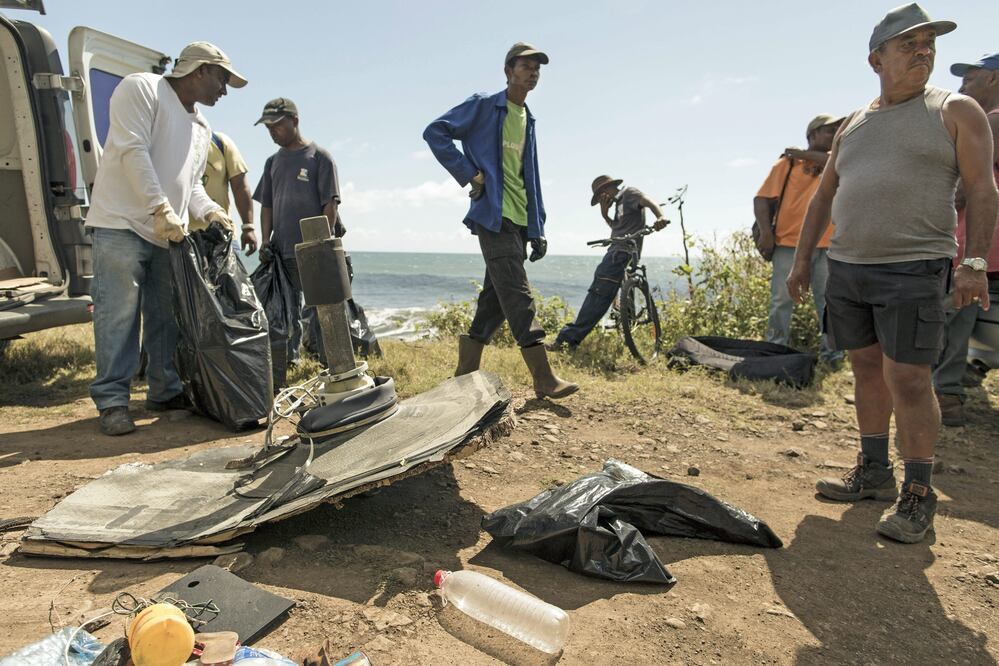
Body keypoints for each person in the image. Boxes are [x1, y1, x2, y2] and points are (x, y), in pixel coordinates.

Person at [787, 4, 998, 544]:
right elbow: (824, 197)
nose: (923, 51)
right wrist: (804, 262)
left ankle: (919, 492)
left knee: (908, 377)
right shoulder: (855, 123)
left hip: (914, 266)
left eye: (929, 43)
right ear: (875, 58)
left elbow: (981, 188)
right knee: (866, 369)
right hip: (850, 266)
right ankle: (874, 471)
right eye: (908, 44)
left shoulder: (956, 109)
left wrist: (973, 261)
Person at [85, 42, 244, 436]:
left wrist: (210, 211)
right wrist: (159, 208)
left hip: (167, 233)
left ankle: (164, 390)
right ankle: (112, 401)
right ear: (200, 70)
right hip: (121, 222)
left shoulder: (203, 127)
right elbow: (130, 149)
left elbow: (189, 186)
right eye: (222, 78)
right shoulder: (142, 88)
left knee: (165, 316)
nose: (224, 90)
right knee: (119, 313)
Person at [423, 42, 577, 400]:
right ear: (508, 71)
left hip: (520, 218)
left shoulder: (529, 118)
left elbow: (531, 177)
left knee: (495, 298)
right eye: (526, 66)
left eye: (537, 67)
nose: (533, 71)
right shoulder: (484, 105)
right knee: (519, 295)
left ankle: (464, 371)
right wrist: (470, 174)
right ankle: (543, 378)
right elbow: (435, 132)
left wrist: (538, 227)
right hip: (493, 216)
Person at [933, 51, 999, 426]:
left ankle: (945, 396)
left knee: (950, 318)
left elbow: (965, 190)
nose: (962, 87)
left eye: (970, 78)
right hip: (987, 247)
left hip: (975, 243)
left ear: (992, 78)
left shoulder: (991, 122)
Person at [253, 97, 343, 366]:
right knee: (286, 310)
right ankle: (290, 360)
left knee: (321, 308)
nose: (272, 132)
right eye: (268, 128)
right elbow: (266, 205)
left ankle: (328, 360)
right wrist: (264, 240)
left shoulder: (320, 158)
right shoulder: (272, 163)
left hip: (313, 248)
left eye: (277, 126)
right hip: (282, 250)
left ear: (294, 121)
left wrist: (322, 243)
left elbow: (331, 203)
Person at [754, 115, 844, 365]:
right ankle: (774, 349)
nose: (835, 134)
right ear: (813, 135)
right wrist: (766, 232)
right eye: (829, 130)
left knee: (828, 303)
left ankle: (832, 356)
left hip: (829, 246)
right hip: (788, 244)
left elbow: (832, 161)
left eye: (838, 130)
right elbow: (761, 199)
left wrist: (802, 154)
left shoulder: (837, 162)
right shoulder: (787, 165)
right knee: (781, 300)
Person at [550, 176, 667, 350]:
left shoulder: (629, 194)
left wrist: (660, 217)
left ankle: (567, 340)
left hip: (621, 252)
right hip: (615, 250)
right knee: (604, 290)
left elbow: (649, 201)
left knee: (598, 294)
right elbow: (617, 228)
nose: (601, 201)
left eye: (599, 198)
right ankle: (625, 324)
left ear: (605, 191)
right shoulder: (618, 205)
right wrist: (605, 215)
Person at [201, 130, 258, 254]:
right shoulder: (171, 143)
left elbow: (240, 187)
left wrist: (248, 227)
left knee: (231, 273)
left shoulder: (220, 142)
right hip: (181, 236)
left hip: (222, 235)